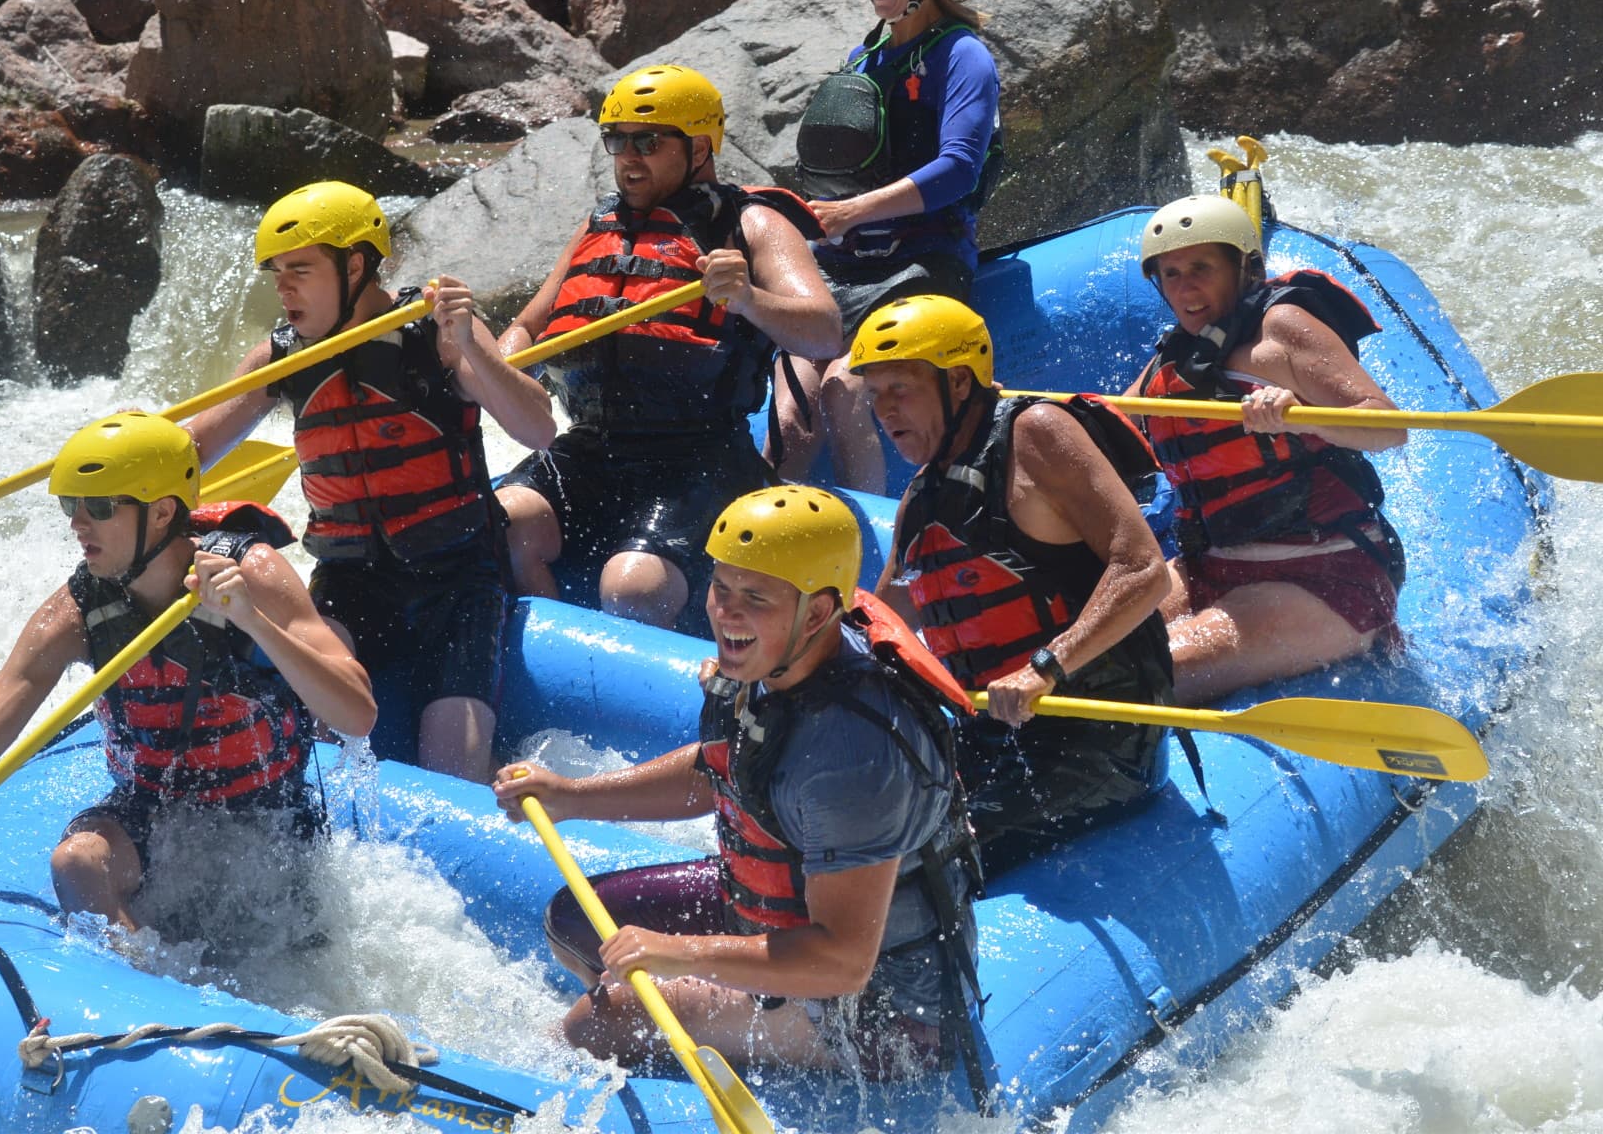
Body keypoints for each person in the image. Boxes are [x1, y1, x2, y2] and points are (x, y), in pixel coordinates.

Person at [492, 486, 988, 1095]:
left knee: (602, 1019)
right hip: (789, 915)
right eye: (721, 587)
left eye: (755, 597)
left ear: (817, 612)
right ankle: (678, 1041)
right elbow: (720, 767)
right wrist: (573, 795)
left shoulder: (853, 760)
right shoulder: (781, 655)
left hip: (889, 1012)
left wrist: (681, 955)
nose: (727, 613)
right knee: (574, 921)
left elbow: (843, 961)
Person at [0, 413, 376, 935]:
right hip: (155, 813)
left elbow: (357, 714)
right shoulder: (75, 611)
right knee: (77, 863)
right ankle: (143, 978)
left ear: (162, 512)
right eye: (71, 506)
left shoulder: (252, 573)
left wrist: (253, 620)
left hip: (269, 816)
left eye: (100, 507)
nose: (78, 525)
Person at [184, 181, 555, 779]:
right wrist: (131, 456)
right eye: (276, 272)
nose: (283, 287)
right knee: (318, 742)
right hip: (351, 579)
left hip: (457, 577)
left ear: (354, 266)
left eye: (300, 269)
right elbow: (191, 453)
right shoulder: (281, 356)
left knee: (451, 766)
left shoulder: (434, 330)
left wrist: (472, 349)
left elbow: (537, 429)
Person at [494, 64, 843, 631]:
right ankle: (554, 644)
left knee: (633, 589)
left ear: (699, 148)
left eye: (648, 142)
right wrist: (498, 372)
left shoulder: (752, 224)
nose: (628, 158)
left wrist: (748, 298)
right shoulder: (600, 224)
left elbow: (824, 331)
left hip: (698, 455)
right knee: (500, 523)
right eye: (616, 140)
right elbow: (527, 329)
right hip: (592, 446)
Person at [849, 295, 1175, 871]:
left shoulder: (1037, 433)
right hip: (993, 739)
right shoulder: (922, 495)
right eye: (875, 393)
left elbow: (1143, 569)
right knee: (846, 831)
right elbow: (878, 625)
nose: (885, 409)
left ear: (958, 381)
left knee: (920, 860)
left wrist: (1043, 669)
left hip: (1099, 739)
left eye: (900, 387)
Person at [1129, 194, 1407, 703]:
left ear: (1246, 269)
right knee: (1076, 654)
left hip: (1324, 574)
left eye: (1201, 268)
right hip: (1208, 566)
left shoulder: (1281, 329)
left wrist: (1303, 413)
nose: (1185, 287)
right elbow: (1112, 431)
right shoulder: (1175, 355)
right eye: (1171, 274)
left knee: (1135, 677)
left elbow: (1388, 426)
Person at [774, 0, 1003, 491]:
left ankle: (867, 539)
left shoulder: (963, 55)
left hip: (923, 261)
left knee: (845, 389)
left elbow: (960, 168)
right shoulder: (865, 58)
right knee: (790, 416)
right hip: (843, 263)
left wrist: (853, 211)